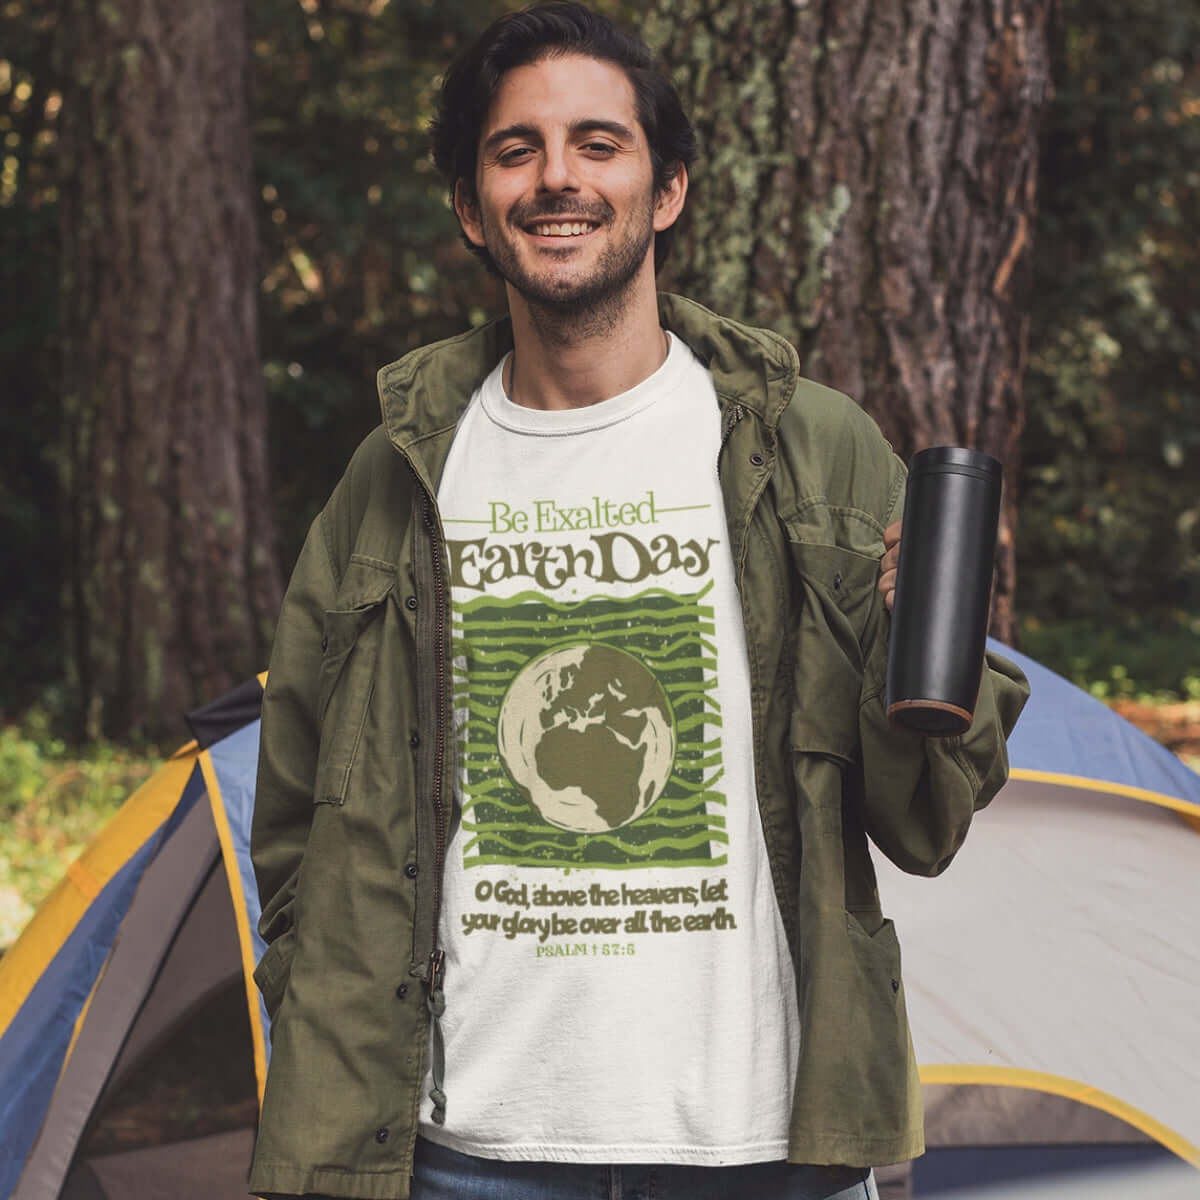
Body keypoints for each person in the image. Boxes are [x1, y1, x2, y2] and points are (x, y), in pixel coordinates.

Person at [247, 4, 1029, 1198]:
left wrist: (930, 653)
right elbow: (298, 808)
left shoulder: (814, 448)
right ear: (472, 206)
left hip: (760, 1147)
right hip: (466, 1153)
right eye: (517, 150)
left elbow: (926, 820)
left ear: (665, 189)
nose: (558, 177)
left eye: (598, 143)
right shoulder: (397, 472)